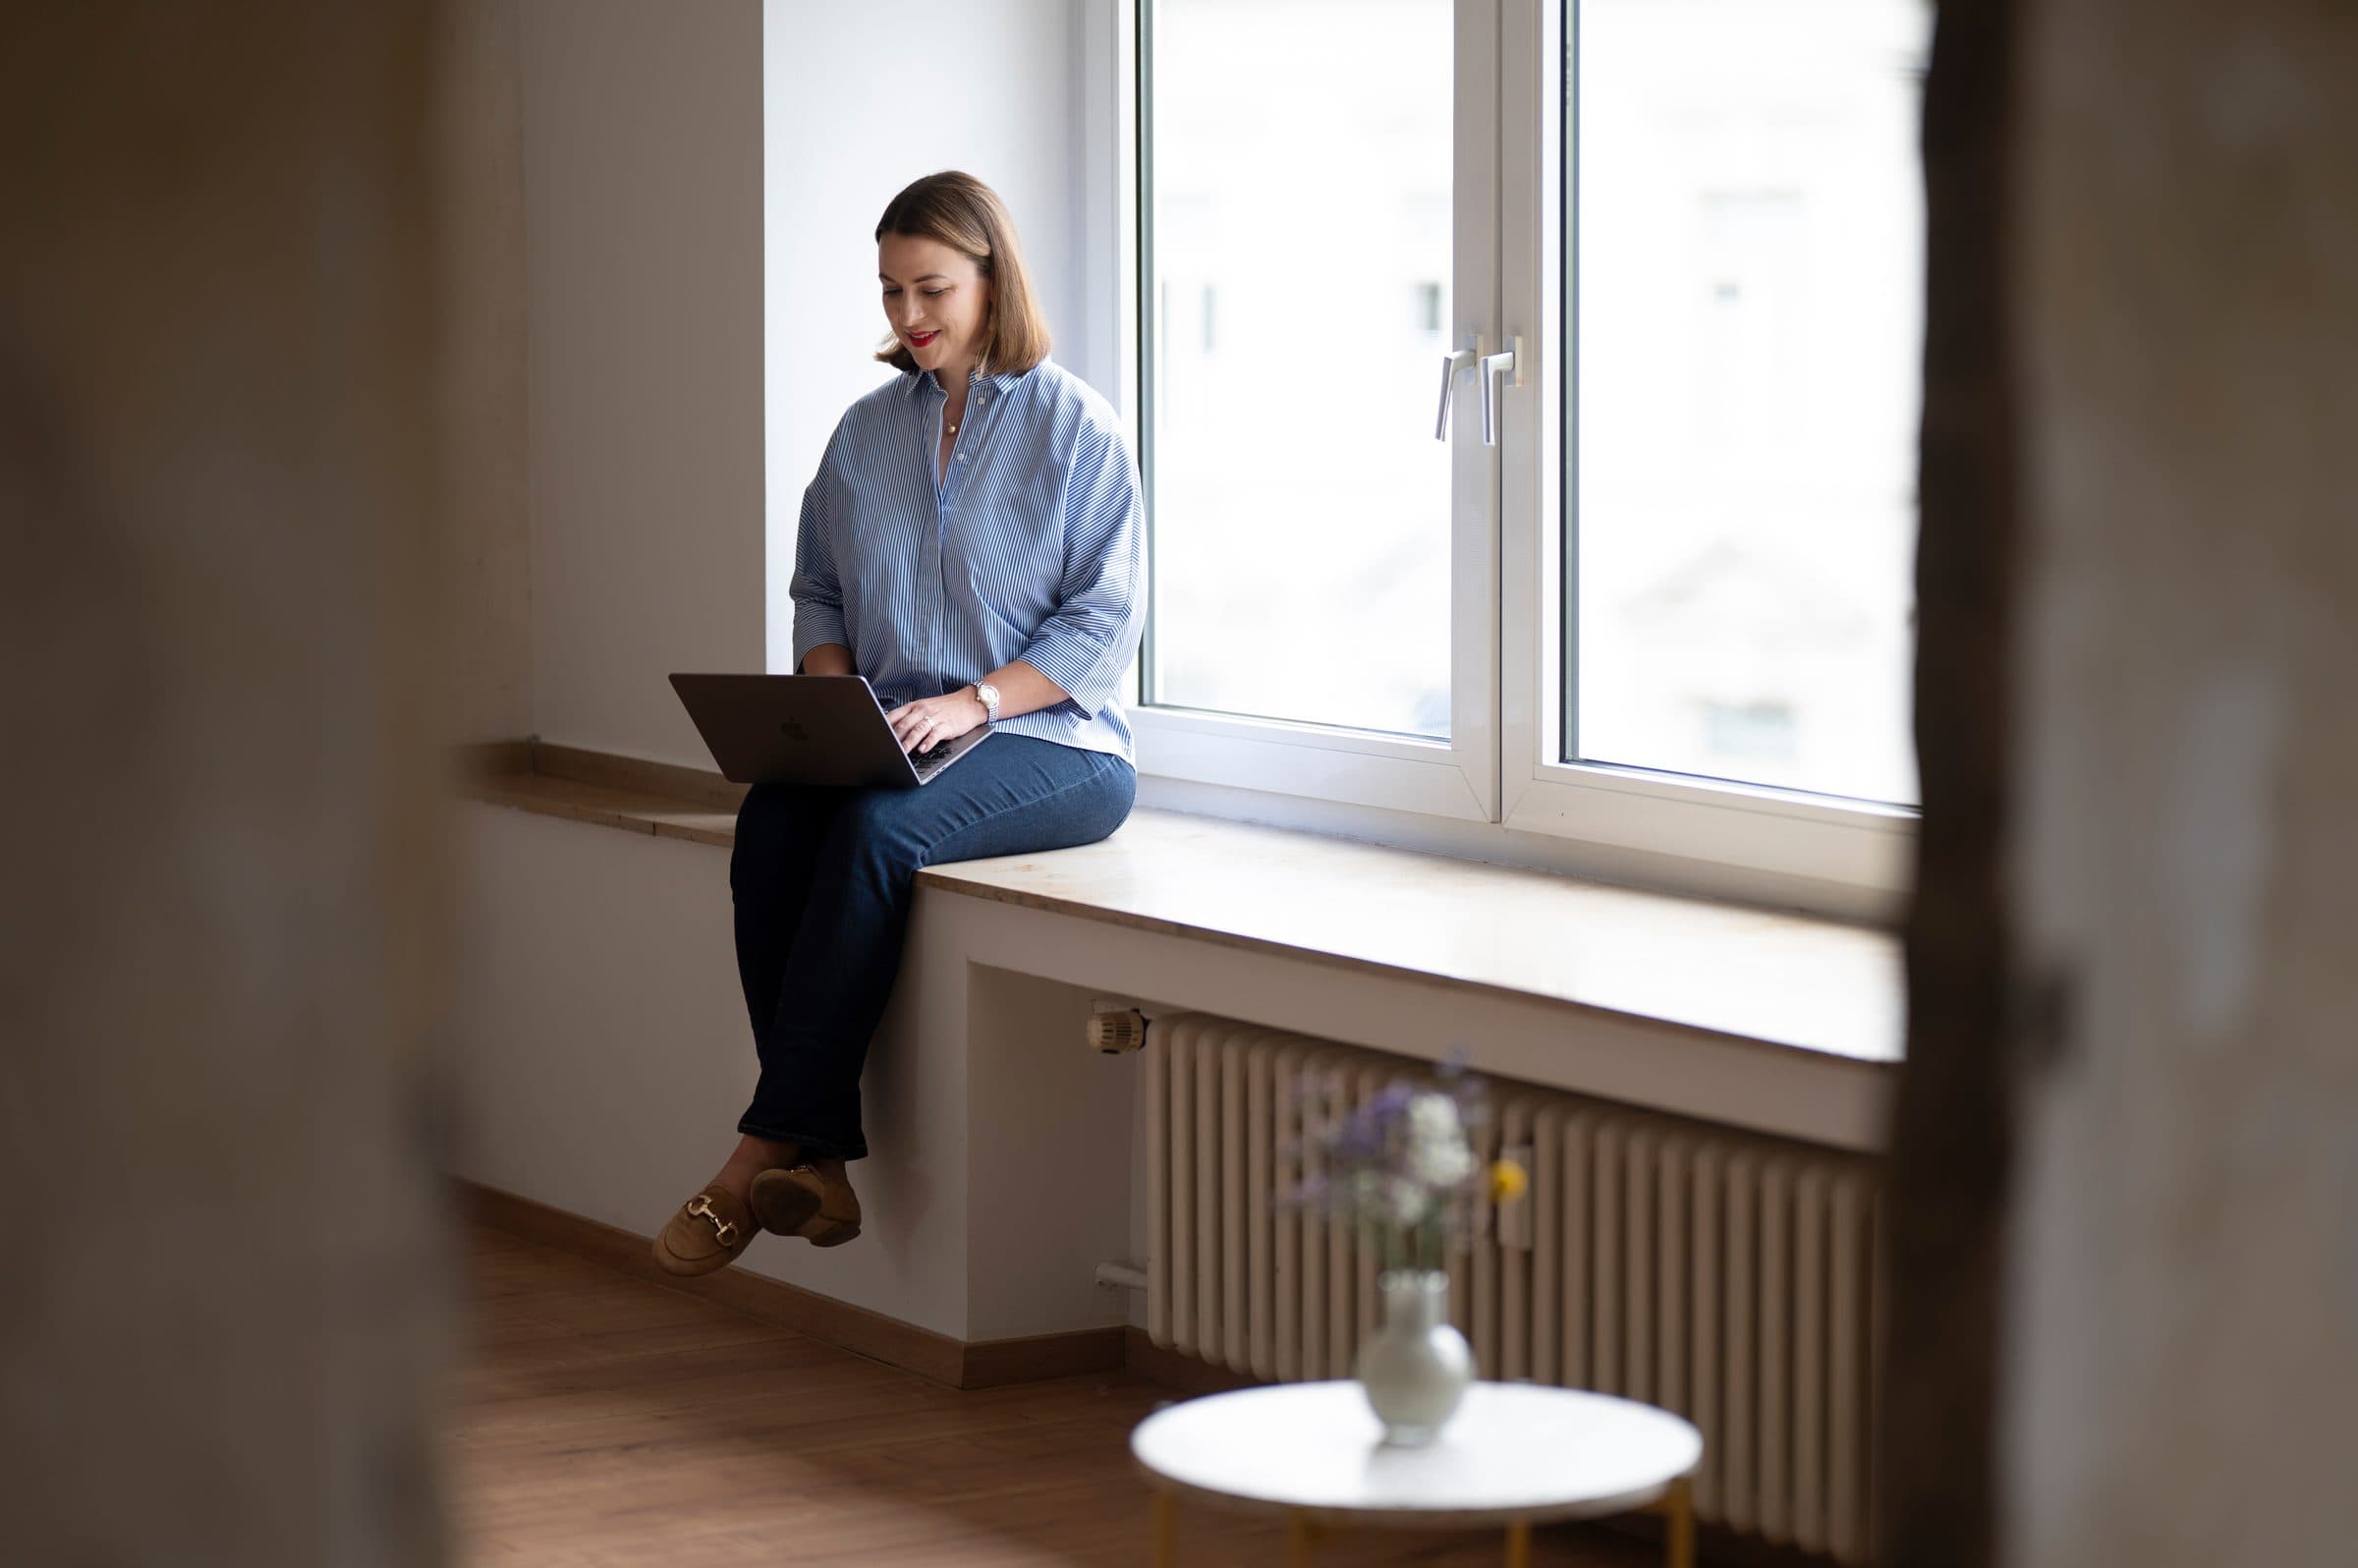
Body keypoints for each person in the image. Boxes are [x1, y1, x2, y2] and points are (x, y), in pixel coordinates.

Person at [653, 171, 1145, 1274]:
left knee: (877, 835)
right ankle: (818, 1167)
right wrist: (835, 696)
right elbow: (819, 586)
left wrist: (975, 700)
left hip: (1055, 744)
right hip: (896, 735)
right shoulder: (865, 434)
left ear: (991, 280)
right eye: (890, 293)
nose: (910, 317)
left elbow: (1105, 625)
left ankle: (759, 1156)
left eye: (932, 289)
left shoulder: (1078, 431)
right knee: (776, 818)